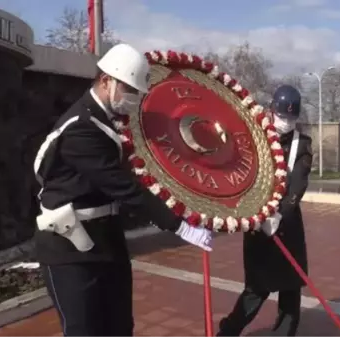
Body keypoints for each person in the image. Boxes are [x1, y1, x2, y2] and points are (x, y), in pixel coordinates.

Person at [33, 43, 211, 337]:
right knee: (84, 331)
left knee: (119, 328)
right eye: (129, 90)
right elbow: (124, 186)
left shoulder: (109, 120)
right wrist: (178, 226)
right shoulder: (81, 128)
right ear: (106, 81)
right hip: (69, 248)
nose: (132, 99)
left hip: (107, 242)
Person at [217, 85, 313, 337]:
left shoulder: (301, 144)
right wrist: (255, 212)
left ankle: (284, 332)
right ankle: (229, 330)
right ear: (271, 111)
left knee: (291, 287)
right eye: (282, 116)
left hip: (287, 224)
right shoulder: (255, 138)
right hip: (258, 224)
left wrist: (281, 213)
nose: (286, 122)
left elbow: (298, 183)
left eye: (291, 118)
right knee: (256, 288)